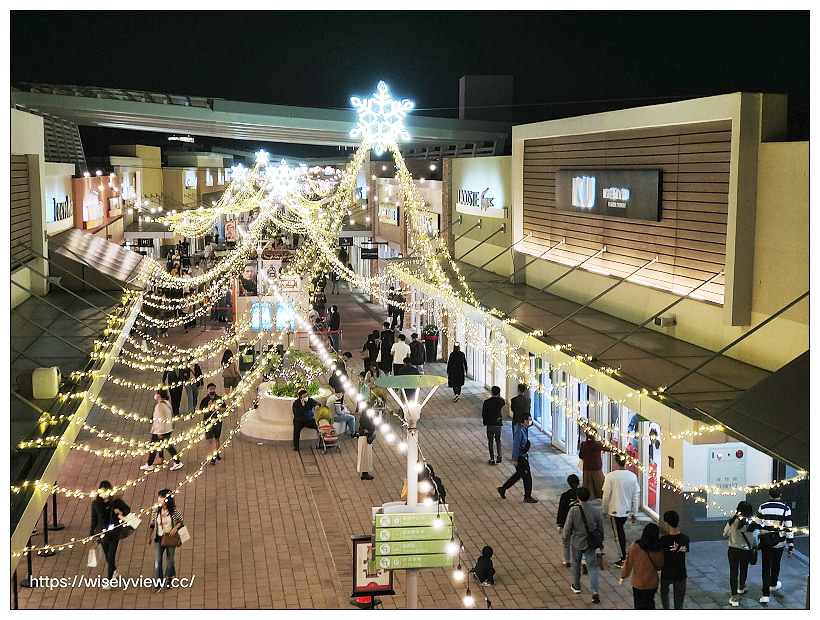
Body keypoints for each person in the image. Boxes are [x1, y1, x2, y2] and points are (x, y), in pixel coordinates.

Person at [563, 487, 603, 604]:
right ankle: (595, 591)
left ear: (577, 497)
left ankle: (576, 586)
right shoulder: (596, 510)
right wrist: (601, 540)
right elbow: (600, 527)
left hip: (577, 542)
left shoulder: (573, 510)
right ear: (589, 497)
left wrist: (565, 539)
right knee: (592, 567)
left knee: (576, 563)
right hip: (591, 543)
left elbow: (568, 527)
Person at [601, 453, 641, 568]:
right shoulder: (632, 476)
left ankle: (623, 558)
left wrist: (604, 509)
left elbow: (606, 496)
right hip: (626, 510)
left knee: (618, 535)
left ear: (616, 462)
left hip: (614, 510)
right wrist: (635, 513)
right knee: (621, 531)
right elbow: (635, 495)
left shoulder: (610, 477)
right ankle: (624, 556)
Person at [89, 480, 131, 586]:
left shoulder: (115, 502)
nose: (103, 493)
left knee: (111, 556)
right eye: (102, 490)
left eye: (105, 491)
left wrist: (120, 512)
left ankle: (109, 580)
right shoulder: (96, 503)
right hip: (102, 533)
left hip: (114, 532)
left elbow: (127, 509)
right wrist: (92, 534)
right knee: (108, 556)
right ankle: (114, 571)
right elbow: (94, 519)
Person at [756, 487, 794, 604]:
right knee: (776, 563)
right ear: (780, 495)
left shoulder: (763, 507)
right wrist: (790, 545)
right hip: (779, 541)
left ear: (769, 495)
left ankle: (765, 594)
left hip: (766, 541)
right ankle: (773, 584)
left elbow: (757, 525)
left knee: (766, 566)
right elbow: (789, 528)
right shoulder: (786, 509)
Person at [620, 523, 665, 609]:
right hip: (652, 583)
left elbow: (628, 563)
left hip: (638, 583)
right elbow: (660, 565)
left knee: (639, 605)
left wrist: (623, 575)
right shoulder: (658, 549)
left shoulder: (635, 546)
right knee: (650, 602)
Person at [723, 500, 760, 607]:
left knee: (733, 572)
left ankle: (734, 597)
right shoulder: (752, 525)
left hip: (733, 550)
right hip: (746, 551)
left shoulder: (731, 522)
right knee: (744, 569)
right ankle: (741, 587)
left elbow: (724, 533)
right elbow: (755, 540)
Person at [148, 489, 185, 592]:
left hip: (170, 537)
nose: (159, 499)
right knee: (158, 561)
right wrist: (149, 536)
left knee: (170, 560)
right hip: (159, 538)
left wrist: (175, 528)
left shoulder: (174, 511)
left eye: (161, 497)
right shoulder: (156, 510)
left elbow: (181, 521)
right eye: (159, 497)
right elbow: (152, 523)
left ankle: (169, 577)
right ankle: (158, 581)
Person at [497, 413, 538, 503]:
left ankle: (503, 489)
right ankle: (527, 496)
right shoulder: (519, 432)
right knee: (527, 477)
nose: (529, 421)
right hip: (520, 458)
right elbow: (516, 446)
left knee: (518, 475)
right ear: (523, 420)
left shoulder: (523, 428)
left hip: (523, 456)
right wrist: (514, 459)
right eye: (528, 419)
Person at [140, 390, 183, 471]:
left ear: (159, 395)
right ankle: (174, 461)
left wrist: (159, 431)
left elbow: (160, 420)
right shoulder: (166, 403)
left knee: (156, 447)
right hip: (167, 429)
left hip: (161, 431)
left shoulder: (160, 406)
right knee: (166, 447)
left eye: (157, 394)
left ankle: (150, 464)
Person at [659, 510, 689, 609]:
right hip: (680, 572)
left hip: (667, 572)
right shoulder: (685, 539)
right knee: (679, 603)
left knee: (664, 596)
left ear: (667, 523)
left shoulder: (663, 540)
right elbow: (684, 553)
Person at [578, 431, 612, 500]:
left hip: (587, 469)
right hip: (596, 469)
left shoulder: (583, 444)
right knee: (600, 487)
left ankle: (589, 501)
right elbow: (608, 449)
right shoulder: (597, 444)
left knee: (588, 488)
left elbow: (581, 456)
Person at [557, 474, 581, 567]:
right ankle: (581, 558)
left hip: (568, 522)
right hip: (579, 522)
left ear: (568, 484)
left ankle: (567, 560)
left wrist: (560, 524)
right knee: (579, 541)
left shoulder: (565, 495)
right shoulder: (581, 493)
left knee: (566, 541)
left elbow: (561, 511)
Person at [199, 383, 224, 465]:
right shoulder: (204, 400)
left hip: (217, 421)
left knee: (217, 438)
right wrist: (208, 407)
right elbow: (201, 410)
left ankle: (216, 452)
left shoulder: (219, 399)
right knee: (210, 440)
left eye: (213, 389)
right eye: (210, 389)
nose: (212, 391)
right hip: (208, 422)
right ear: (207, 390)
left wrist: (218, 408)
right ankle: (213, 457)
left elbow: (225, 408)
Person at [481, 386, 505, 465]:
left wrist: (485, 422)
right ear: (499, 393)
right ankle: (499, 455)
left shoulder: (487, 402)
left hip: (490, 424)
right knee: (498, 440)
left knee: (490, 442)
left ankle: (492, 459)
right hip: (498, 424)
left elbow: (484, 414)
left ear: (491, 392)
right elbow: (503, 402)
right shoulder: (500, 401)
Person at [357, 407, 377, 480]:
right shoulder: (365, 418)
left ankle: (365, 472)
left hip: (365, 437)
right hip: (365, 438)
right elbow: (369, 428)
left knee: (365, 455)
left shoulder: (365, 417)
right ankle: (364, 473)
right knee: (364, 456)